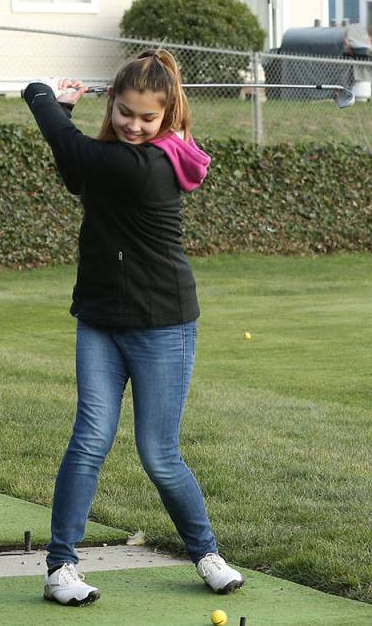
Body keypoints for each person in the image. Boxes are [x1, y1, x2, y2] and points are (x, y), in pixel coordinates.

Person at [22, 50, 244, 606]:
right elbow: (76, 170)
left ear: (167, 116)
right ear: (113, 105)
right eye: (125, 112)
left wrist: (41, 94)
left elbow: (73, 149)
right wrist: (65, 110)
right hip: (100, 319)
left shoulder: (150, 165)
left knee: (159, 453)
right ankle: (60, 568)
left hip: (162, 323)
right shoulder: (113, 159)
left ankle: (206, 553)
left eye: (148, 117)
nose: (134, 125)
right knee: (89, 439)